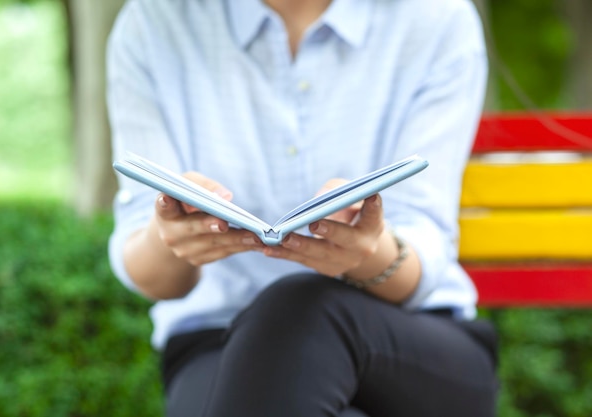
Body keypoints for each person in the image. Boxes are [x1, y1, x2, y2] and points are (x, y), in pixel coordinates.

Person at [106, 0, 499, 416]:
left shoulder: (434, 17)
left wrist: (367, 253)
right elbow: (149, 269)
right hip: (219, 343)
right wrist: (173, 237)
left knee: (299, 311)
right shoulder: (154, 21)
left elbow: (424, 249)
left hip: (411, 342)